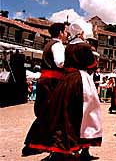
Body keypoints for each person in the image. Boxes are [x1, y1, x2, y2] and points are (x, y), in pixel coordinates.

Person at [28, 23, 102, 160]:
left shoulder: (67, 47)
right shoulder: (83, 47)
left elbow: (65, 64)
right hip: (80, 80)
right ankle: (82, 149)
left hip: (66, 81)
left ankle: (58, 147)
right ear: (80, 34)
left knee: (62, 114)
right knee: (87, 114)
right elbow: (91, 64)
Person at [22, 22, 68, 157]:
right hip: (52, 82)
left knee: (45, 113)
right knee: (53, 113)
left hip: (45, 81)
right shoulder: (58, 45)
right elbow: (61, 63)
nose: (67, 34)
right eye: (65, 31)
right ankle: (35, 145)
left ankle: (33, 145)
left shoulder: (49, 44)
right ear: (60, 32)